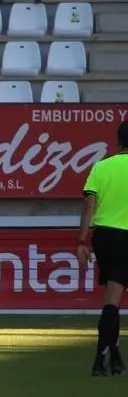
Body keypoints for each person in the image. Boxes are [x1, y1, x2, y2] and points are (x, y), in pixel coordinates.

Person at [78, 121, 128, 376]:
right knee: (113, 300)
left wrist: (82, 241)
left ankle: (113, 359)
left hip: (106, 237)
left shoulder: (101, 167)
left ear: (118, 141)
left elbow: (89, 207)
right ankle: (101, 360)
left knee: (112, 298)